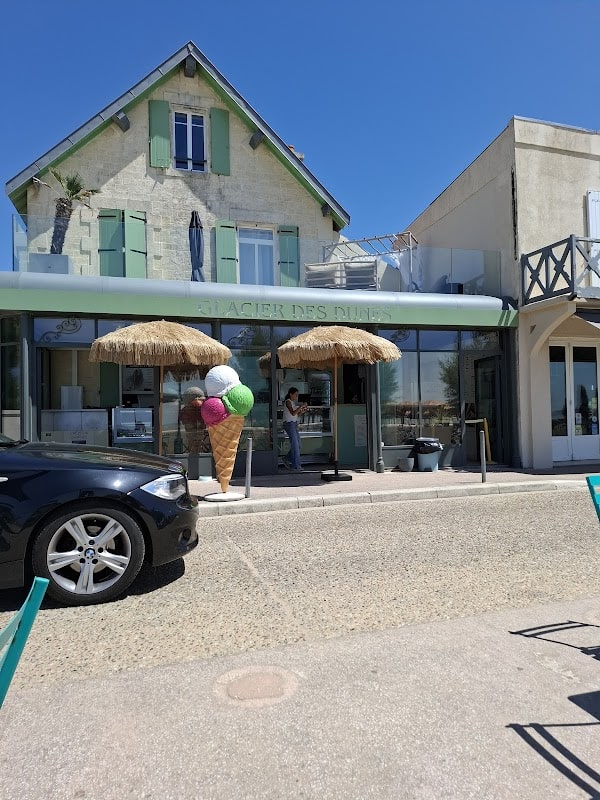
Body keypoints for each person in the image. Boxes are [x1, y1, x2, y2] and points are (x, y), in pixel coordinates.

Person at [282, 387, 308, 471]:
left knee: (298, 445)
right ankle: (296, 465)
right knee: (295, 445)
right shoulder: (288, 402)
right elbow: (293, 413)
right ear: (291, 394)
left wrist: (302, 411)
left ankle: (287, 458)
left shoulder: (292, 402)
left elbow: (296, 414)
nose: (296, 397)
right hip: (289, 424)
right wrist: (301, 406)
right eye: (295, 395)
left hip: (293, 424)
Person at [179, 386, 209, 453]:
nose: (202, 402)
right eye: (200, 400)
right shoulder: (186, 410)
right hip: (192, 430)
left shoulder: (202, 409)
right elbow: (185, 421)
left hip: (198, 427)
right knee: (193, 443)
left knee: (198, 443)